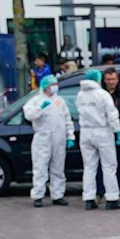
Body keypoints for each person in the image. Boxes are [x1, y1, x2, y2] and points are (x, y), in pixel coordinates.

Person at [75, 69, 120, 209]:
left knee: (89, 167)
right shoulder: (103, 94)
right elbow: (112, 115)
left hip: (85, 132)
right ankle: (112, 198)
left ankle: (89, 199)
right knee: (109, 166)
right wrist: (118, 131)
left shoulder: (80, 95)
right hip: (102, 132)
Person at [24, 74, 71, 207]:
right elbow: (29, 115)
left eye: (56, 84)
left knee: (58, 168)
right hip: (43, 138)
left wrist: (70, 136)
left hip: (59, 138)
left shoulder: (60, 100)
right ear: (45, 86)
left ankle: (58, 195)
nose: (55, 87)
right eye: (52, 85)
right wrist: (40, 108)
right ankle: (38, 196)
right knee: (40, 168)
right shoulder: (36, 100)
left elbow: (67, 119)